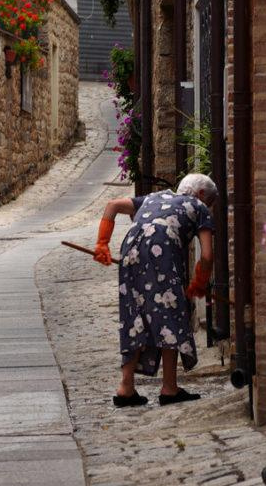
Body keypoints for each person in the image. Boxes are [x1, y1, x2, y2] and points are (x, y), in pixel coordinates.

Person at [93, 173, 216, 408]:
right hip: (163, 256)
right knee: (170, 314)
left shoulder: (153, 198)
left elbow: (112, 205)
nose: (208, 207)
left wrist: (102, 243)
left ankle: (126, 387)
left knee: (135, 315)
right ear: (201, 194)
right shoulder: (199, 206)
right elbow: (208, 255)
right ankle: (169, 388)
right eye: (209, 202)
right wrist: (200, 281)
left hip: (130, 253)